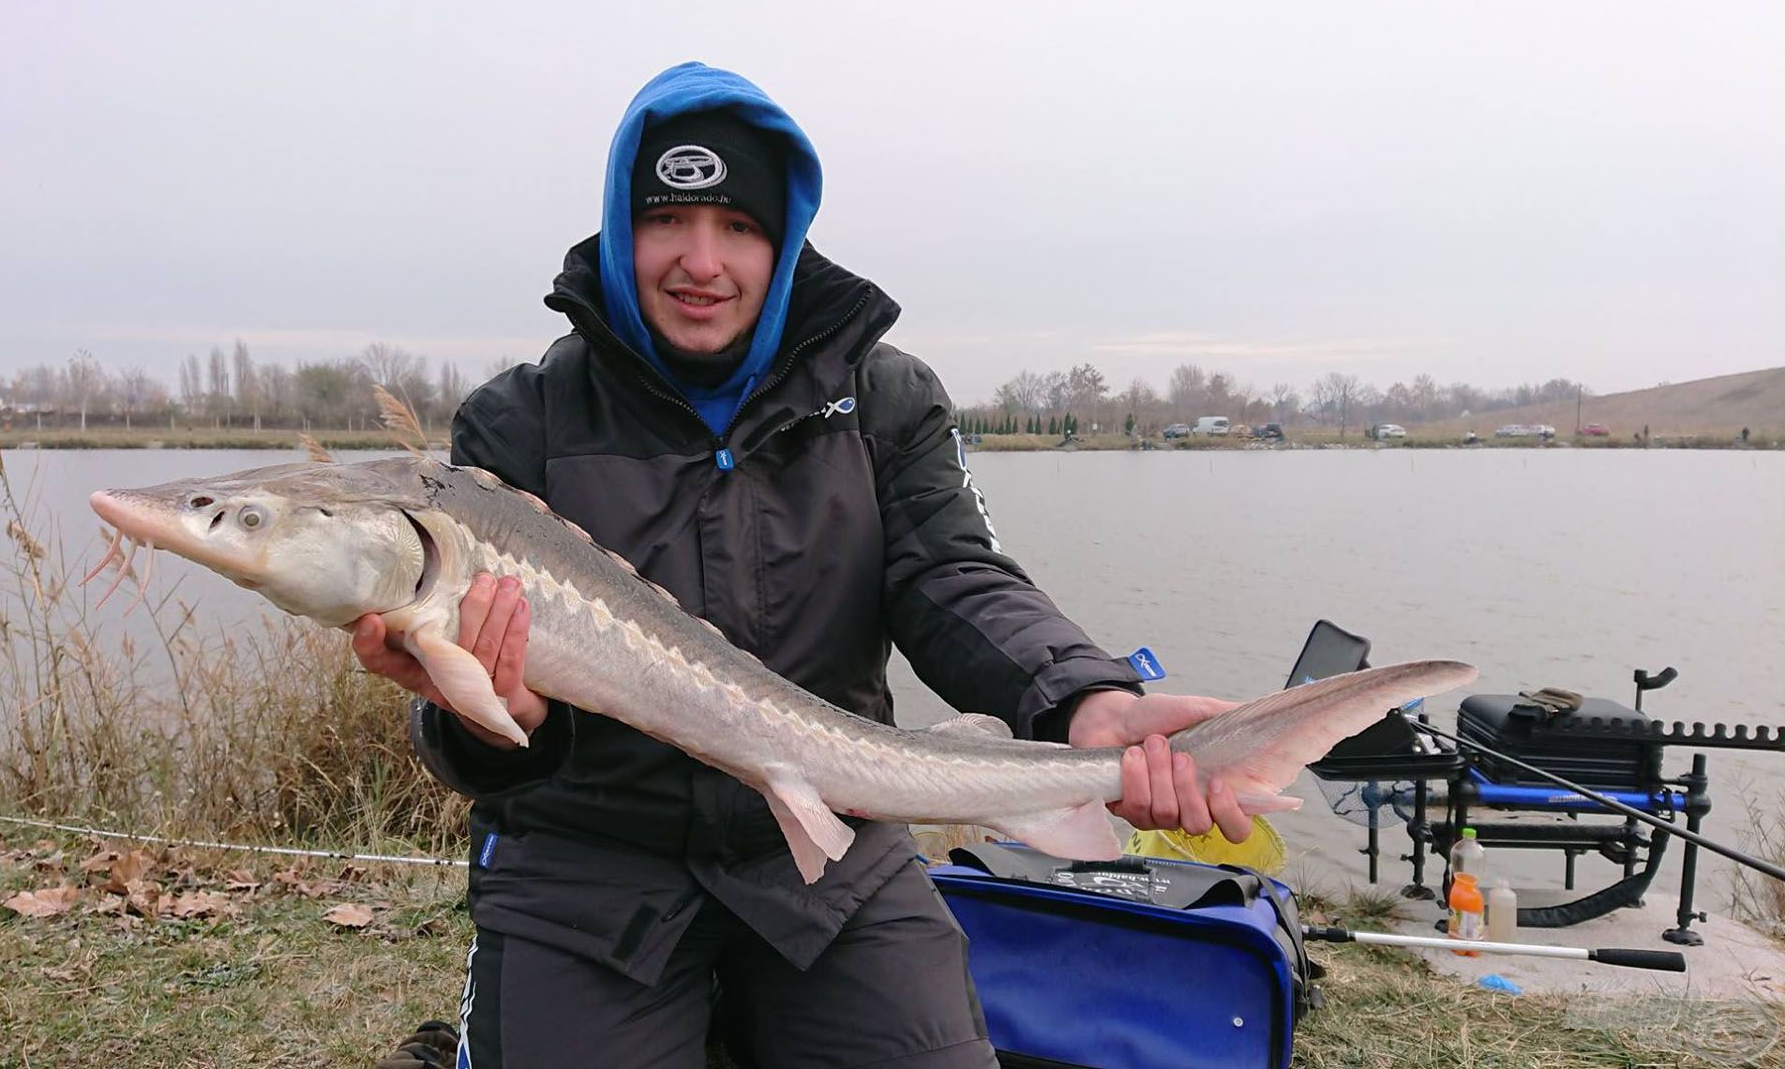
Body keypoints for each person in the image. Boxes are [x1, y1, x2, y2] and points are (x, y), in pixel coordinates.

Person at [353, 62, 1249, 1069]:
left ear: (785, 241)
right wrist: (489, 721)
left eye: (739, 225)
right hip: (586, 866)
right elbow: (464, 733)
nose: (704, 261)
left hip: (836, 841)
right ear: (618, 226)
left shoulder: (884, 398)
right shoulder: (520, 421)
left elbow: (953, 576)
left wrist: (1087, 701)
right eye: (668, 221)